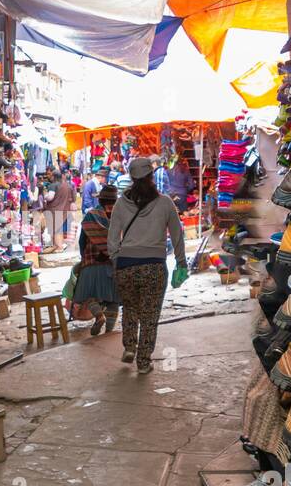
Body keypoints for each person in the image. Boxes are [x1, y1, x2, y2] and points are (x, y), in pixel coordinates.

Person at [106, 157, 188, 374]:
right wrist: (181, 263)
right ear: (151, 176)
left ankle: (129, 347)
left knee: (130, 309)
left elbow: (113, 237)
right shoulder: (165, 203)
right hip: (154, 266)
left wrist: (117, 260)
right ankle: (144, 361)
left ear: (132, 178)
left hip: (126, 265)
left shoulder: (121, 203)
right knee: (150, 315)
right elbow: (178, 235)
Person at [73, 184, 121, 335]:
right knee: (114, 300)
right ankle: (109, 332)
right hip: (114, 265)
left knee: (89, 296)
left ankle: (99, 316)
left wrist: (84, 258)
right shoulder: (120, 218)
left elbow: (82, 241)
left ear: (100, 200)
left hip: (92, 263)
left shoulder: (91, 215)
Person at [47, 171, 74, 252]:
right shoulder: (67, 186)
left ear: (53, 177)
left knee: (57, 229)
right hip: (65, 209)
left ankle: (59, 247)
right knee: (60, 229)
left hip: (56, 210)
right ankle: (58, 245)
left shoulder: (53, 185)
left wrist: (45, 196)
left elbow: (50, 197)